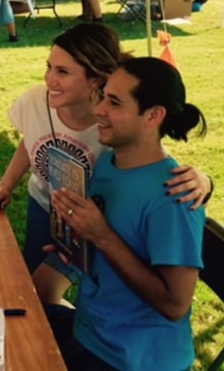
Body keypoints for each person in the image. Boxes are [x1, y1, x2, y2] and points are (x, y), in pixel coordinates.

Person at [0, 23, 211, 274]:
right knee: (34, 277)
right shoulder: (37, 100)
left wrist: (204, 182)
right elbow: (30, 139)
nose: (49, 79)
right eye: (49, 67)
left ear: (96, 78)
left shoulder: (112, 122)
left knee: (78, 278)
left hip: (90, 221)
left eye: (63, 72)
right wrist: (5, 186)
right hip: (44, 203)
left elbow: (147, 161)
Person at [42, 57, 207, 371]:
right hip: (90, 334)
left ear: (153, 116)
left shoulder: (174, 198)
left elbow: (175, 305)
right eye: (103, 96)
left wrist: (100, 236)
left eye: (114, 102)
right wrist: (76, 245)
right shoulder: (108, 163)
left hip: (131, 360)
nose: (98, 110)